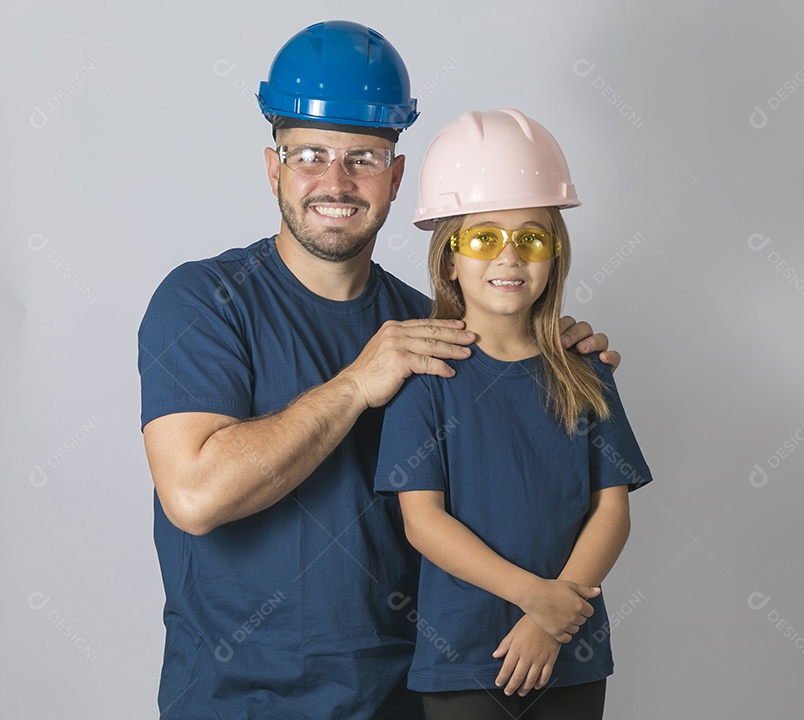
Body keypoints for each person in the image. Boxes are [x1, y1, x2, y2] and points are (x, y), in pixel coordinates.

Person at [137, 22, 616, 720]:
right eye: (309, 154)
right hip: (238, 702)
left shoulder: (441, 332)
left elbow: (531, 489)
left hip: (406, 699)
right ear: (273, 168)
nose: (335, 181)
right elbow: (196, 495)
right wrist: (359, 382)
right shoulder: (203, 303)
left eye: (363, 157)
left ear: (395, 177)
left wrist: (548, 351)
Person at [374, 108, 652, 720]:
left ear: (554, 255)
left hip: (572, 655)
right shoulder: (425, 380)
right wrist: (535, 601)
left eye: (531, 238)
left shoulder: (587, 373)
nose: (509, 257)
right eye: (483, 238)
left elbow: (612, 509)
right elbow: (423, 523)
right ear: (449, 258)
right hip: (464, 659)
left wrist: (552, 624)